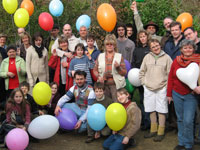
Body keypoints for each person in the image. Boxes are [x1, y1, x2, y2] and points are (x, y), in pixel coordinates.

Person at [167, 39, 200, 150]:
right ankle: (182, 142)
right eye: (185, 48)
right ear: (181, 49)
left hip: (191, 95)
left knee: (188, 120)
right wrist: (169, 94)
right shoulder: (176, 61)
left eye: (190, 48)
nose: (187, 50)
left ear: (194, 49)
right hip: (176, 94)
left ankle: (189, 144)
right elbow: (171, 78)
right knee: (180, 119)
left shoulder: (198, 61)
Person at [139, 39, 172, 142]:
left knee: (161, 110)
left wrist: (166, 87)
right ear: (150, 48)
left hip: (161, 88)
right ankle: (153, 130)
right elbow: (141, 72)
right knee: (151, 109)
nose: (156, 48)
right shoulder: (147, 57)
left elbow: (170, 74)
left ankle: (160, 132)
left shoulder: (166, 58)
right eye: (153, 47)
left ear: (160, 46)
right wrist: (144, 83)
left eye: (157, 46)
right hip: (149, 88)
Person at [93, 34, 127, 102]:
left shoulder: (119, 56)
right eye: (107, 44)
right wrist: (99, 77)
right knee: (105, 104)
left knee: (116, 104)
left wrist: (118, 68)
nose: (109, 46)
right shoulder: (100, 56)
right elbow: (95, 70)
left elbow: (124, 73)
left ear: (114, 45)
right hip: (103, 86)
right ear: (105, 45)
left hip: (116, 86)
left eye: (111, 44)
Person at [132, 30, 151, 130]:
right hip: (138, 79)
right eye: (141, 37)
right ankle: (144, 121)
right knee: (142, 100)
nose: (143, 38)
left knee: (149, 101)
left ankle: (150, 122)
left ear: (147, 37)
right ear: (139, 39)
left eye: (144, 36)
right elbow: (133, 63)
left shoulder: (150, 48)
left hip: (150, 79)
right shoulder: (136, 49)